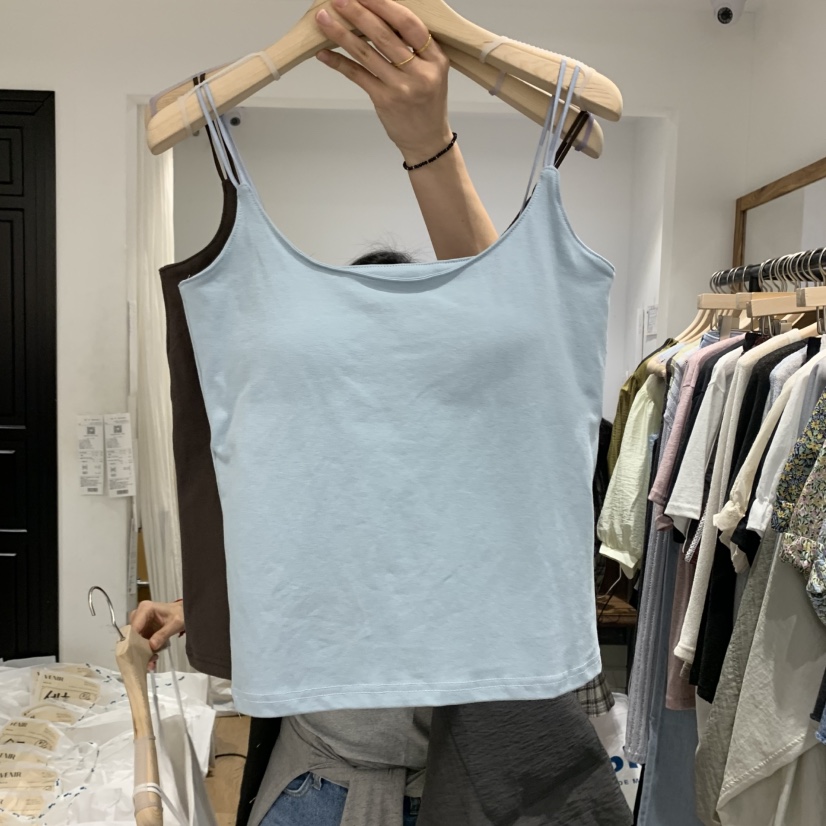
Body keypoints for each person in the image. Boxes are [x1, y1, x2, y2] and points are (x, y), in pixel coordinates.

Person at [132, 2, 503, 824]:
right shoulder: (327, 460)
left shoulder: (470, 459)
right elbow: (310, 580)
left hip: (431, 789)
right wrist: (203, 609)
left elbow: (506, 333)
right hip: (318, 783)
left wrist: (427, 143)